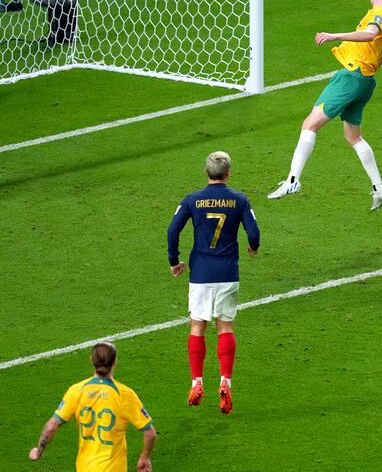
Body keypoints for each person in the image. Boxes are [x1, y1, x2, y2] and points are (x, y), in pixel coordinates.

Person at [267, 0, 382, 211]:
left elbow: (369, 33)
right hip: (366, 81)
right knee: (353, 137)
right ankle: (379, 187)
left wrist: (334, 35)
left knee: (309, 125)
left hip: (351, 77)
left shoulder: (379, 14)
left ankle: (293, 181)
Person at [167, 151, 260, 414]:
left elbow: (173, 230)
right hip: (228, 272)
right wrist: (253, 247)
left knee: (197, 327)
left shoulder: (192, 200)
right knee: (225, 328)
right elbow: (253, 232)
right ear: (228, 173)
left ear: (206, 172)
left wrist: (175, 260)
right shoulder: (239, 200)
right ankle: (225, 381)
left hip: (200, 274)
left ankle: (197, 382)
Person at [29, 342, 157, 471]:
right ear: (115, 362)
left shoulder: (76, 391)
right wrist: (144, 457)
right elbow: (150, 433)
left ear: (91, 360)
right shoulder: (125, 395)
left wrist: (38, 451)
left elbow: (52, 426)